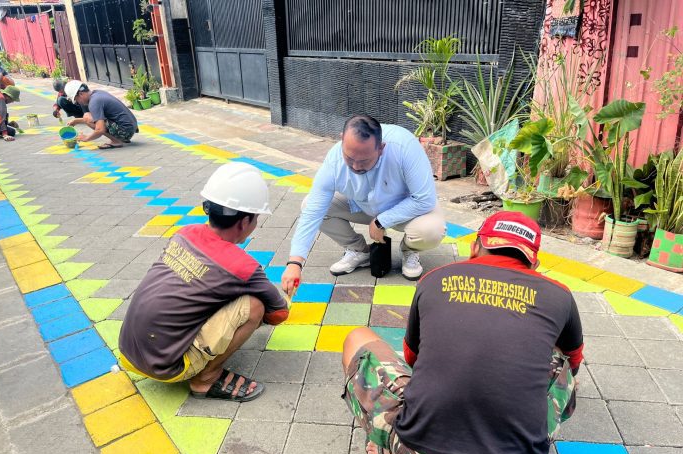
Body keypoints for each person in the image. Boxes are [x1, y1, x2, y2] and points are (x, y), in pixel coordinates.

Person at [341, 211, 584, 454]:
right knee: (560, 362)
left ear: (475, 247)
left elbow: (413, 358)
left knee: (357, 338)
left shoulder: (435, 279)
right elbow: (575, 362)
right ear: (534, 262)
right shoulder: (559, 294)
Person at [119, 163, 289, 401]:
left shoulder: (185, 233)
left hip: (128, 352)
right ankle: (205, 380)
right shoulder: (244, 267)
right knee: (254, 306)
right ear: (245, 222)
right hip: (168, 367)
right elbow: (279, 314)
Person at [281, 114, 446, 293]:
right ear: (342, 140)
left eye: (364, 161)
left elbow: (424, 199)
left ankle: (409, 249)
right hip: (362, 205)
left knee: (432, 231)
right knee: (308, 205)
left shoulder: (404, 146)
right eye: (349, 158)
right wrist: (295, 263)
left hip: (406, 207)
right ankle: (360, 251)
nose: (356, 167)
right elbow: (313, 211)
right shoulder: (334, 161)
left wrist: (382, 221)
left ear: (381, 149)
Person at [64, 80, 138, 149]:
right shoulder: (97, 93)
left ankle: (116, 141)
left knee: (87, 117)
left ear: (80, 94)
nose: (78, 103)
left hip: (125, 132)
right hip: (130, 128)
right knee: (88, 116)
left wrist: (86, 138)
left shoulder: (94, 102)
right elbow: (98, 117)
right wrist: (76, 121)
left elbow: (100, 129)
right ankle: (119, 138)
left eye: (76, 100)